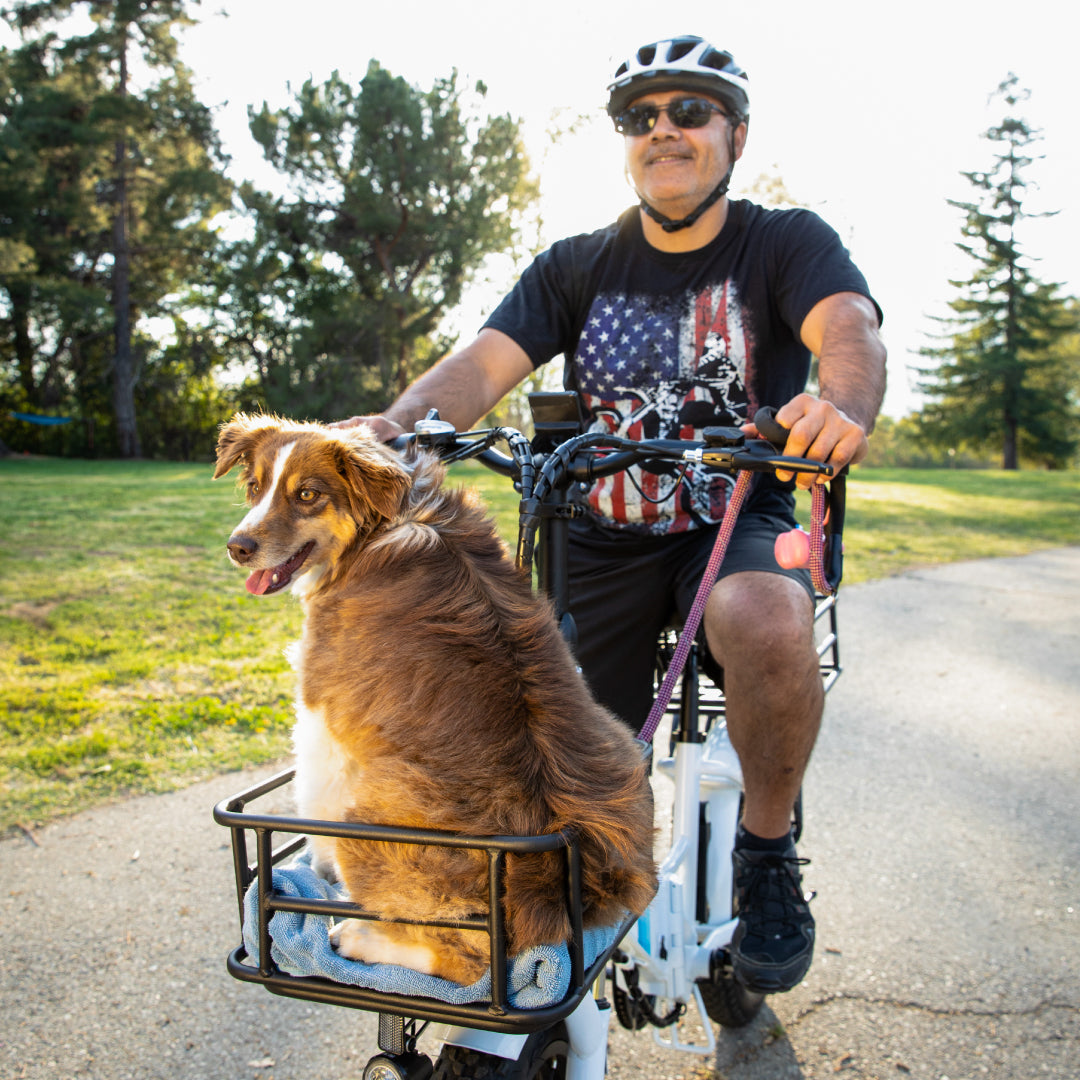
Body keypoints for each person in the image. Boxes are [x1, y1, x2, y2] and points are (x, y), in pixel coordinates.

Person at [335, 35, 886, 995]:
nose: (663, 130)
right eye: (642, 117)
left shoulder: (784, 243)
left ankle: (764, 856)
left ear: (736, 135)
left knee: (762, 617)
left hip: (733, 516)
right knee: (560, 776)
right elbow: (481, 364)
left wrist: (840, 401)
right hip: (594, 532)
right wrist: (391, 430)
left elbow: (848, 328)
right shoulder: (576, 266)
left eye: (689, 111)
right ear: (625, 141)